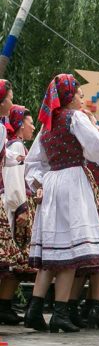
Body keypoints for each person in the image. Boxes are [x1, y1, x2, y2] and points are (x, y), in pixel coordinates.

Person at [24, 74, 99, 333]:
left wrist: (40, 184)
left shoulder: (46, 125)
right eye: (79, 94)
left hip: (52, 182)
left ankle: (34, 309)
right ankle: (60, 313)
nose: (82, 99)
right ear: (69, 96)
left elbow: (33, 163)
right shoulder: (74, 117)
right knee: (70, 251)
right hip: (73, 181)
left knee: (53, 251)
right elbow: (97, 146)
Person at [0, 81, 26, 325]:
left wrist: (12, 158)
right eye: (9, 97)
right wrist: (21, 206)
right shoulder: (7, 135)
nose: (11, 101)